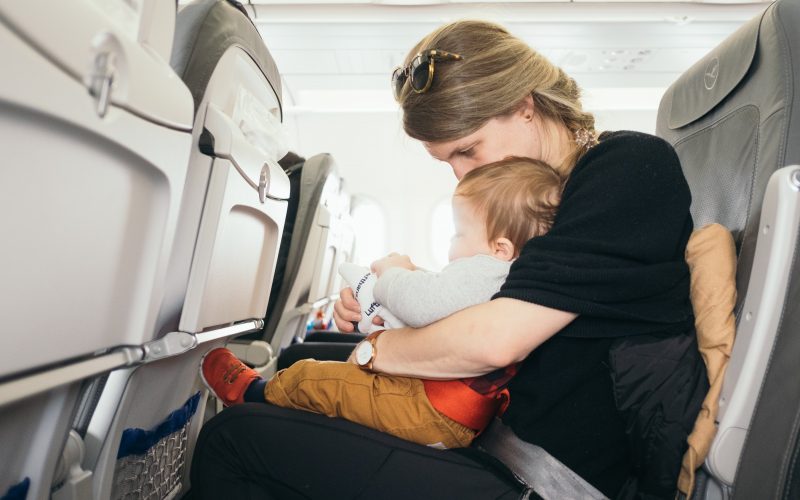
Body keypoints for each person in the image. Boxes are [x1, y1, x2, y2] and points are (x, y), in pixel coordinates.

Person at [189, 19, 708, 499]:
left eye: (468, 150)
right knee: (302, 370)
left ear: (525, 105)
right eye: (447, 161)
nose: (461, 175)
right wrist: (386, 302)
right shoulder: (537, 195)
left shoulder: (628, 169)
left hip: (543, 477)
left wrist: (378, 349)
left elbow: (492, 341)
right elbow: (492, 295)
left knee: (233, 440)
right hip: (487, 440)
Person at [200, 157, 564, 450]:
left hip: (431, 408)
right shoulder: (505, 274)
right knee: (340, 383)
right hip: (445, 409)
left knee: (315, 377)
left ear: (500, 247)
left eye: (458, 234)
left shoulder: (487, 269)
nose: (453, 245)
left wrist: (393, 273)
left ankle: (253, 395)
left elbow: (423, 304)